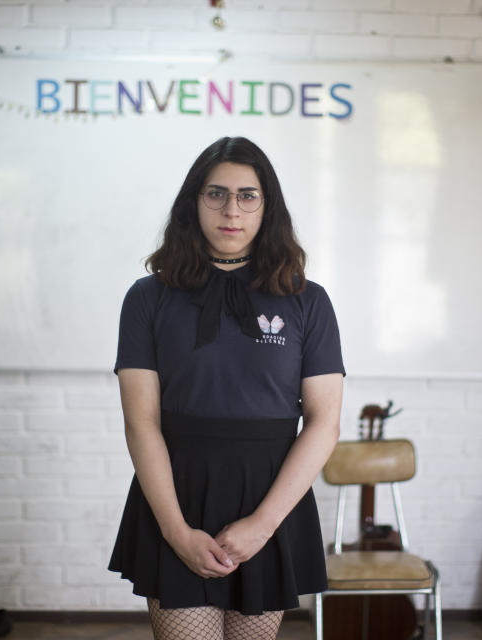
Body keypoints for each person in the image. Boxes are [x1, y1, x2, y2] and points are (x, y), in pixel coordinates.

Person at [108, 136, 344, 640]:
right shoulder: (147, 298)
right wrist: (175, 531)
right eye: (215, 194)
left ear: (267, 206)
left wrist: (262, 524)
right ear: (193, 203)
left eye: (247, 195)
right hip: (177, 493)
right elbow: (140, 422)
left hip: (271, 498)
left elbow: (323, 423)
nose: (231, 209)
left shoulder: (309, 301)